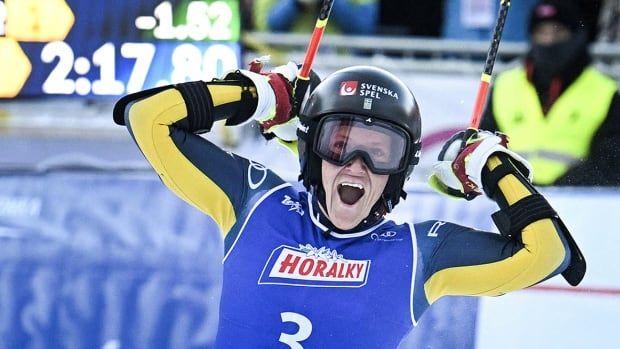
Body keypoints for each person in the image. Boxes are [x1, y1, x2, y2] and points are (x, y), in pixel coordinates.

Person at [113, 57, 585, 347]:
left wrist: (491, 166)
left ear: (398, 173)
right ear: (312, 150)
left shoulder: (423, 253)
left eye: (380, 153)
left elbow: (550, 255)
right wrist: (255, 95)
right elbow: (147, 117)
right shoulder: (255, 200)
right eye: (340, 143)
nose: (357, 165)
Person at [480, 0, 620, 186]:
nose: (548, 41)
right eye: (541, 33)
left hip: (580, 202)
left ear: (576, 37)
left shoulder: (605, 91)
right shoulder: (504, 85)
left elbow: (610, 162)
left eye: (558, 32)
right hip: (514, 200)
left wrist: (563, 186)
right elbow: (485, 148)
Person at [254, 0, 378, 35]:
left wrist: (330, 3)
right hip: (286, 65)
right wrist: (296, 4)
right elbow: (266, 27)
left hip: (338, 65)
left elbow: (364, 27)